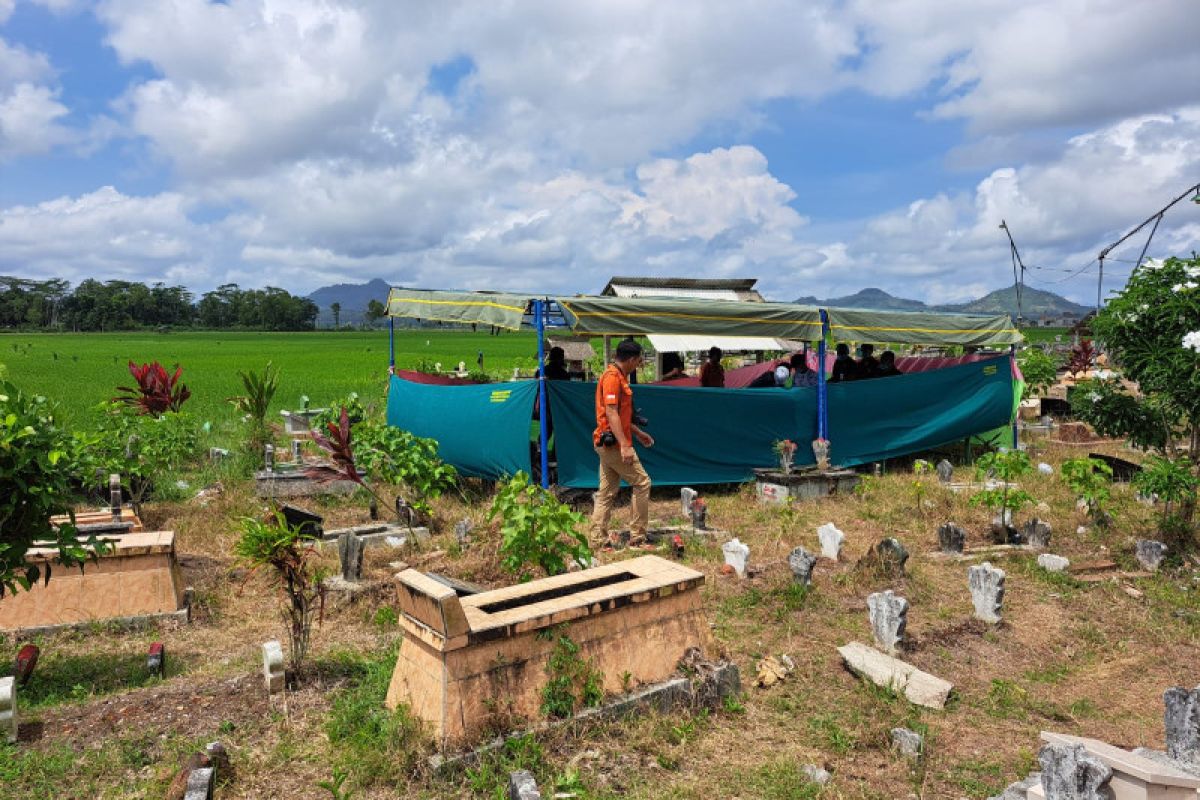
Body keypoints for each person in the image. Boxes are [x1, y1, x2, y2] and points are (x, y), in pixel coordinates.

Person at [591, 339, 655, 549]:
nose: (638, 365)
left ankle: (597, 540)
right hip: (614, 446)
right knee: (642, 483)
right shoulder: (612, 378)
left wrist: (636, 433)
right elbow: (611, 413)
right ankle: (638, 536)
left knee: (607, 492)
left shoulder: (619, 376)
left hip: (609, 443)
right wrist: (625, 446)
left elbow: (620, 415)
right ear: (632, 359)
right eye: (638, 361)